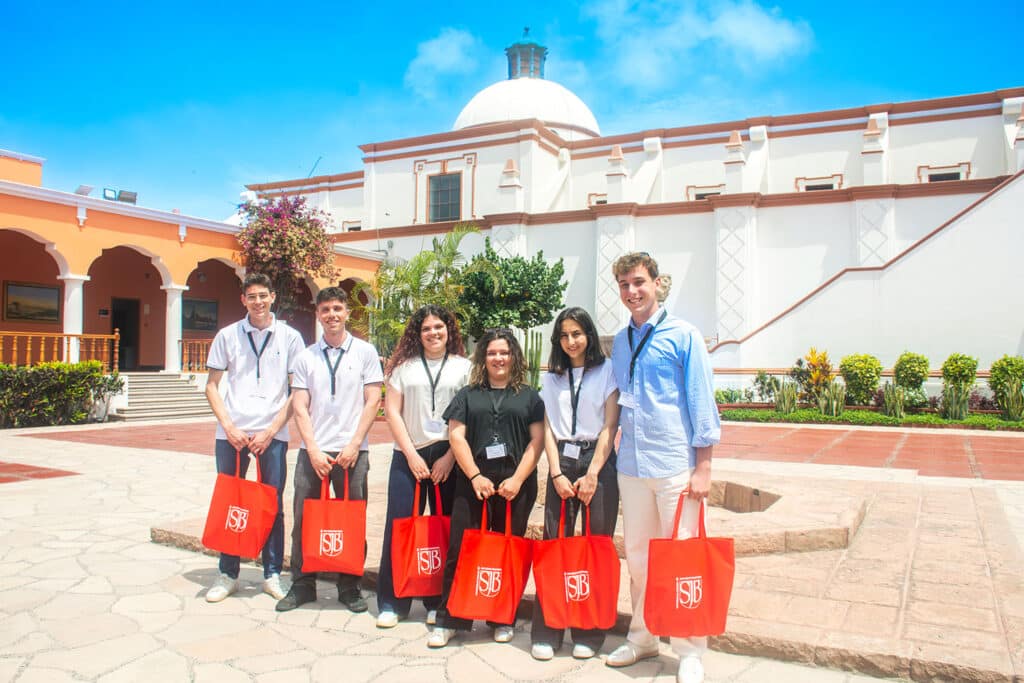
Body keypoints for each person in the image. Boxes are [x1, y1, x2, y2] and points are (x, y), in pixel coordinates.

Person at [605, 252, 721, 683]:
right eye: (624, 285)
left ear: (657, 283)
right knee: (638, 558)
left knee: (683, 557)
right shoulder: (620, 341)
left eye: (638, 282)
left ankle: (690, 649)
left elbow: (701, 401)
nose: (632, 292)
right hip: (633, 465)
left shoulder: (684, 335)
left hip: (676, 464)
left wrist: (704, 466)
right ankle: (643, 636)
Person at [426, 328, 545, 648]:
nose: (498, 358)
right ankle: (450, 617)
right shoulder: (468, 395)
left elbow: (538, 440)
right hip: (472, 481)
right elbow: (456, 436)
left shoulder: (529, 395)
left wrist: (518, 480)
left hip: (514, 485)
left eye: (504, 352)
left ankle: (502, 617)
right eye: (492, 352)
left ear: (514, 356)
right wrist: (476, 475)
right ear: (483, 357)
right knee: (460, 549)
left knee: (508, 551)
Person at [274, 286, 383, 613]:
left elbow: (373, 400)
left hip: (353, 454)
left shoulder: (364, 352)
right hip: (314, 454)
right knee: (304, 519)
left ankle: (349, 586)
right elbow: (301, 406)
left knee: (352, 521)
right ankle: (302, 584)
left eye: (338, 308)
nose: (332, 315)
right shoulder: (306, 356)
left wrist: (352, 446)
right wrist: (313, 449)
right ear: (318, 314)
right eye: (326, 310)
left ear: (347, 312)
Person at [204, 272, 305, 603]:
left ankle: (272, 573)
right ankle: (227, 573)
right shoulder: (227, 335)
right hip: (232, 434)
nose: (258, 302)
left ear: (273, 297)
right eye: (252, 296)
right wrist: (230, 426)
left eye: (264, 295)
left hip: (271, 434)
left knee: (272, 505)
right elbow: (212, 386)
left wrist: (271, 430)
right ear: (243, 300)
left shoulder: (290, 338)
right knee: (231, 502)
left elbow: (296, 391)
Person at [530, 307, 620, 661]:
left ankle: (590, 631)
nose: (571, 341)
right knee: (555, 546)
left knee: (595, 546)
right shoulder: (551, 376)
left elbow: (610, 425)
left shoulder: (607, 370)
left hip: (596, 461)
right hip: (561, 463)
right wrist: (555, 472)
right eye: (564, 335)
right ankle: (548, 629)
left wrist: (594, 473)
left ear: (589, 336)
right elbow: (548, 428)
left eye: (577, 334)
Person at [376, 305, 471, 628]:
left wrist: (451, 458)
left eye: (439, 327)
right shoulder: (404, 368)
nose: (433, 333)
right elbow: (392, 413)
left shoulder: (465, 368)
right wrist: (412, 455)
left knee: (445, 529)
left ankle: (437, 601)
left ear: (449, 330)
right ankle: (393, 601)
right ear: (418, 334)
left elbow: (469, 417)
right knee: (400, 527)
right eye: (427, 328)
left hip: (449, 454)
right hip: (408, 454)